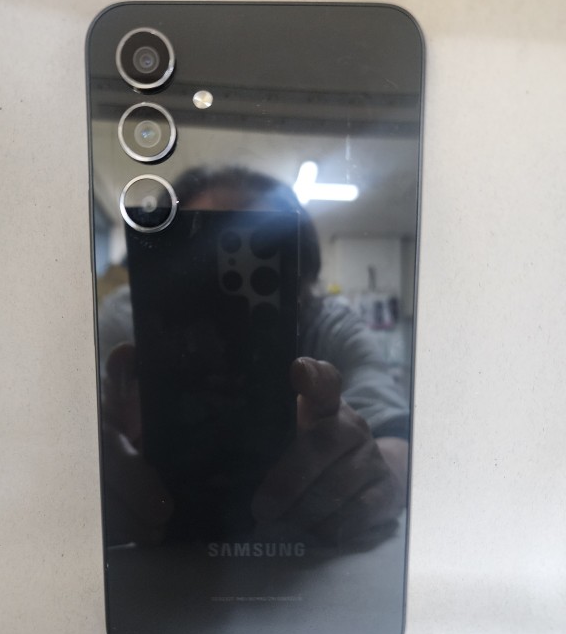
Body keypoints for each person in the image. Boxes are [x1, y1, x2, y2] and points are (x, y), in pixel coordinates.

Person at [98, 167, 410, 549]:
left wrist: (381, 473)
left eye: (264, 247)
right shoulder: (129, 316)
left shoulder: (329, 322)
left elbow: (396, 433)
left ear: (305, 277)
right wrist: (83, 464)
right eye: (204, 256)